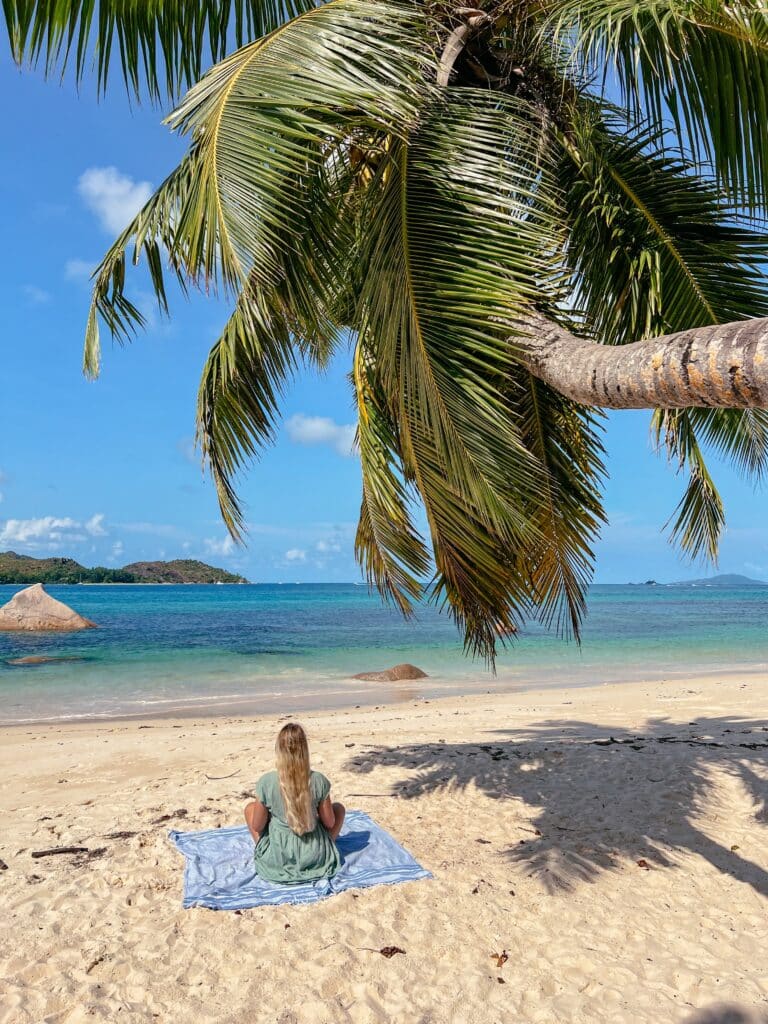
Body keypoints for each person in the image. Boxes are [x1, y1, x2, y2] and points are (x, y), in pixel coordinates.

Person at [244, 722, 345, 883]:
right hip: (314, 855)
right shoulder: (318, 780)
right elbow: (330, 822)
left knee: (250, 808)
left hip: (278, 857)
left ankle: (262, 849)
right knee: (338, 809)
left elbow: (257, 826)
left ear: (279, 750)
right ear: (305, 750)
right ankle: (327, 846)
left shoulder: (267, 782)